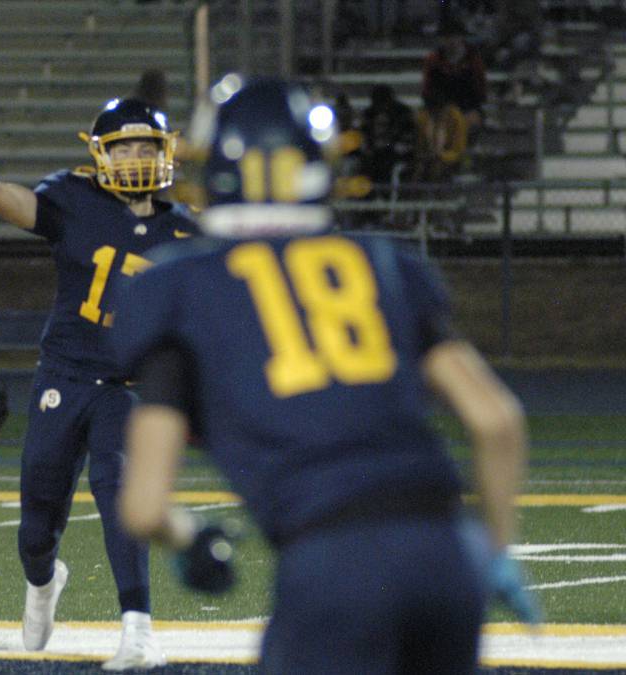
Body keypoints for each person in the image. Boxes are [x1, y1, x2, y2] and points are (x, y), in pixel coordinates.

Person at [112, 75, 540, 673]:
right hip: (447, 549)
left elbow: (142, 506)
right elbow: (496, 419)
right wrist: (494, 549)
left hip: (332, 557)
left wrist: (192, 540)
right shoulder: (384, 262)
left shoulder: (175, 288)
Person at [0, 87, 198, 670]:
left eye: (147, 145)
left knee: (117, 484)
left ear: (166, 151)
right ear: (100, 155)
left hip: (130, 387)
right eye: (124, 147)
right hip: (64, 376)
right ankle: (43, 581)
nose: (137, 157)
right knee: (37, 520)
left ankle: (137, 627)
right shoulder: (74, 201)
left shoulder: (190, 232)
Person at [422, 17, 487, 135]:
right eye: (447, 37)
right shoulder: (433, 60)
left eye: (454, 36)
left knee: (468, 122)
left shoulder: (473, 59)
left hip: (467, 107)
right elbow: (427, 89)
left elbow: (480, 90)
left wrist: (470, 109)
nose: (451, 41)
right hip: (440, 107)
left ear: (461, 37)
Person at [414, 89, 468, 183]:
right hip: (427, 157)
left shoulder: (456, 118)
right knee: (418, 169)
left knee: (437, 167)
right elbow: (419, 144)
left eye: (439, 110)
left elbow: (459, 150)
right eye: (432, 111)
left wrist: (442, 156)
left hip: (450, 158)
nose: (436, 114)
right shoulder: (423, 117)